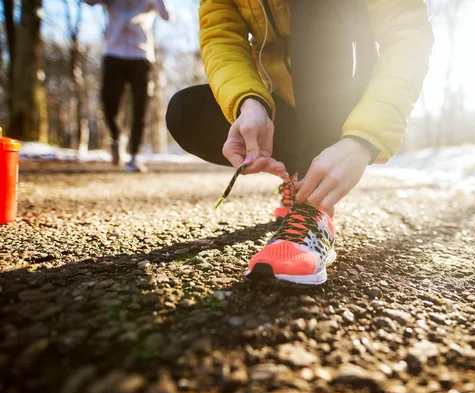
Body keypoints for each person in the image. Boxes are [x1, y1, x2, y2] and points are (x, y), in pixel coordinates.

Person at [167, 0, 433, 284]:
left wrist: (363, 138)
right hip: (281, 101)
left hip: (347, 97)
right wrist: (250, 102)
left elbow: (407, 32)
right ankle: (298, 181)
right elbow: (221, 37)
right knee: (185, 112)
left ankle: (313, 211)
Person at [83, 0, 172, 172]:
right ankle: (116, 137)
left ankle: (135, 155)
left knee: (141, 107)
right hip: (113, 54)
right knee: (109, 102)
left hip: (142, 56)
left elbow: (167, 16)